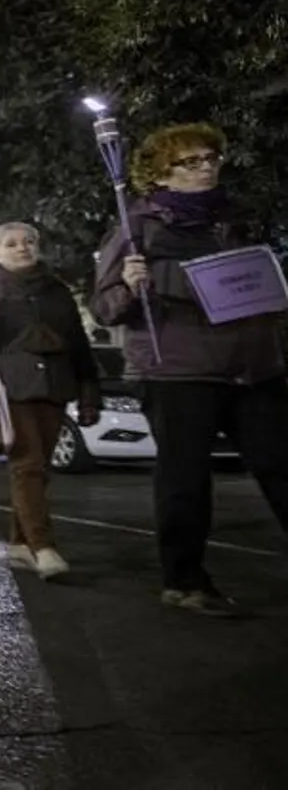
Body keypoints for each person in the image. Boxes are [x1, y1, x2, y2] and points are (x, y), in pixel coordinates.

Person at [91, 123, 288, 614]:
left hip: (254, 365)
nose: (206, 167)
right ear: (160, 173)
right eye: (191, 161)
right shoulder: (136, 226)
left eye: (211, 158)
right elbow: (105, 307)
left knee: (281, 464)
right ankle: (185, 579)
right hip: (179, 369)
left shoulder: (236, 218)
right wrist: (131, 287)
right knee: (185, 478)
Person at [0, 221, 100, 581]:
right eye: (11, 244)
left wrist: (89, 392)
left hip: (54, 386)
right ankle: (44, 547)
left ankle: (20, 543)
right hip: (12, 389)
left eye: (29, 241)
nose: (22, 248)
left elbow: (78, 342)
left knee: (39, 469)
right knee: (28, 464)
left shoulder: (56, 290)